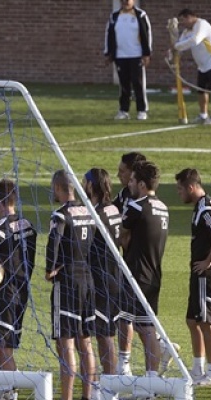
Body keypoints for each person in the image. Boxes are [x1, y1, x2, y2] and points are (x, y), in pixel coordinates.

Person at [0, 179, 36, 400]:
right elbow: (30, 260)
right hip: (22, 290)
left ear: (0, 200)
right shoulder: (28, 225)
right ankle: (5, 388)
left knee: (1, 345)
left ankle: (9, 392)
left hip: (2, 293)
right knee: (7, 343)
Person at [45, 170, 96, 400]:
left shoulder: (60, 215)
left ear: (58, 188)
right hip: (87, 280)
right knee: (85, 343)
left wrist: (50, 268)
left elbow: (53, 241)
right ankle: (87, 396)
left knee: (66, 343)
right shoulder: (88, 212)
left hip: (67, 284)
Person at [117, 160, 169, 378]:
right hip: (154, 271)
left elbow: (122, 235)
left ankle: (126, 369)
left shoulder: (137, 206)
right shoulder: (163, 207)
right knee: (146, 325)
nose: (129, 184)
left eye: (132, 180)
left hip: (136, 273)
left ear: (140, 184)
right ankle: (151, 378)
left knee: (131, 321)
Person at [175, 168, 211, 387]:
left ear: (191, 187)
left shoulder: (205, 209)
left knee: (206, 322)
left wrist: (209, 260)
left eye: (180, 189)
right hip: (200, 272)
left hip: (207, 273)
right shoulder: (202, 206)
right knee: (193, 320)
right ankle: (197, 369)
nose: (179, 194)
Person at [82, 168, 122, 400]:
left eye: (84, 182)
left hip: (101, 279)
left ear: (91, 185)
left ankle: (108, 388)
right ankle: (106, 385)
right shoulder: (113, 208)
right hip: (113, 276)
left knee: (103, 334)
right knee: (105, 333)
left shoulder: (97, 214)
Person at [172, 8, 211, 125]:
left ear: (190, 17)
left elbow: (195, 40)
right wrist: (172, 54)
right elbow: (181, 46)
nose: (183, 24)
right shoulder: (187, 31)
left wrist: (176, 47)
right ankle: (203, 115)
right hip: (202, 64)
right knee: (201, 90)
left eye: (184, 20)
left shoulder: (202, 25)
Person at [104, 0, 152, 121]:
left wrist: (146, 53)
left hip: (136, 54)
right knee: (124, 84)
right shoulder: (114, 16)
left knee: (138, 83)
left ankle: (142, 110)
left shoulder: (141, 15)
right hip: (120, 55)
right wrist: (108, 53)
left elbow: (147, 33)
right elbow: (108, 34)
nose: (126, 2)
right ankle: (124, 110)